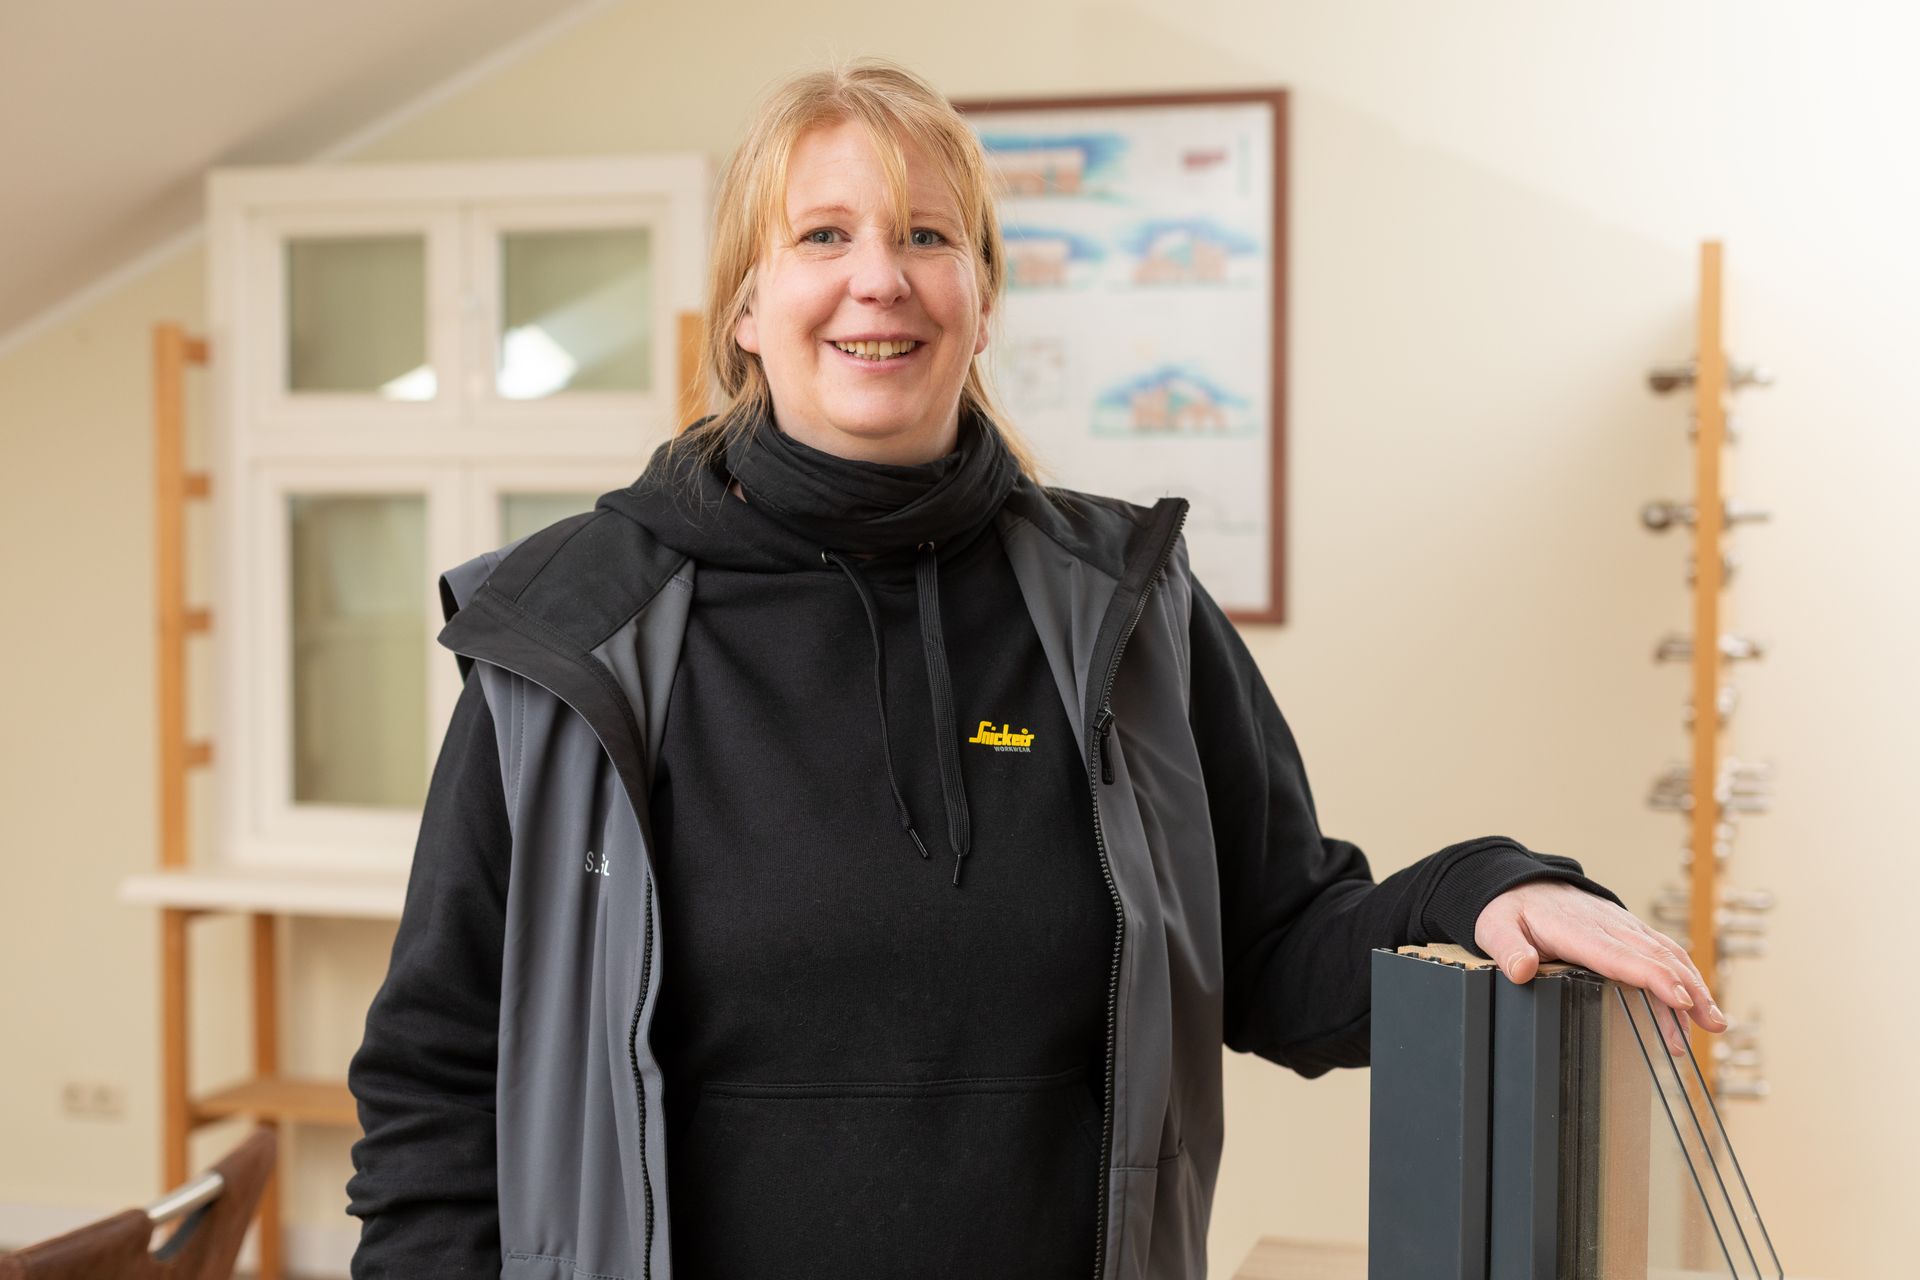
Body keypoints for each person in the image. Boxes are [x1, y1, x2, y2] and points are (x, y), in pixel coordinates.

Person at [345, 58, 1725, 1280]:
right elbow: (437, 1081)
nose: (878, 277)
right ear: (748, 307)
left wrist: (1491, 890)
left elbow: (1279, 946)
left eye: (926, 235)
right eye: (824, 234)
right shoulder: (570, 631)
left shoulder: (1122, 606)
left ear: (983, 298)